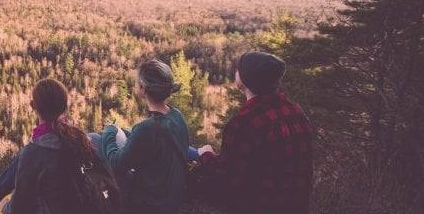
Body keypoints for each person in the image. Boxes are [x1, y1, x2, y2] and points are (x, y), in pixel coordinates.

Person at [195, 51, 313, 213]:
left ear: (244, 80)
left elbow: (227, 180)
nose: (236, 71)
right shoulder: (296, 113)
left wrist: (205, 155)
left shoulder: (245, 122)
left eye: (239, 69)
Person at [0, 78, 119, 213]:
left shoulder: (33, 153)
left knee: (1, 205)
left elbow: (20, 207)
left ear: (33, 105)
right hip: (86, 204)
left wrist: (4, 206)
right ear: (63, 106)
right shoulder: (79, 138)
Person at [90, 58, 190, 213]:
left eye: (136, 82)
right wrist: (126, 131)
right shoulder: (177, 116)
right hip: (170, 196)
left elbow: (116, 164)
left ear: (143, 89)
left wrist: (109, 132)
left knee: (95, 139)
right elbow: (156, 140)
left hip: (151, 203)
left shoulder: (147, 128)